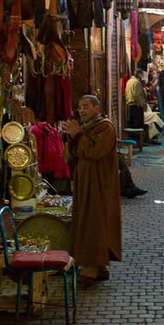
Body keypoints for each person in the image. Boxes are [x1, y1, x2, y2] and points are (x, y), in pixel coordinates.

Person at [62, 95, 122, 284]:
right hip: (86, 182)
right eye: (79, 107)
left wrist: (78, 135)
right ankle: (98, 265)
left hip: (99, 184)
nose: (82, 110)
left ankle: (91, 267)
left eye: (86, 106)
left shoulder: (105, 127)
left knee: (94, 222)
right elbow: (75, 153)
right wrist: (73, 138)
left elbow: (95, 151)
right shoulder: (87, 127)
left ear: (97, 108)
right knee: (88, 220)